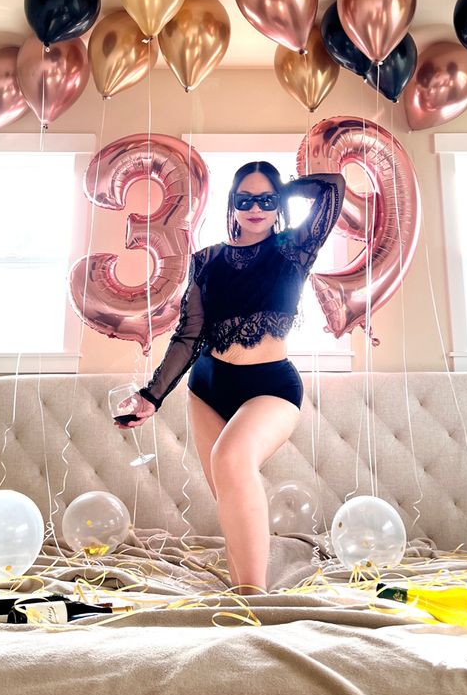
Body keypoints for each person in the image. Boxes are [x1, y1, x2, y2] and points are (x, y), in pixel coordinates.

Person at [114, 161, 346, 595]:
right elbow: (189, 334)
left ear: (277, 202)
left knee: (231, 460)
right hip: (208, 388)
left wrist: (285, 187)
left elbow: (333, 188)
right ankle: (244, 595)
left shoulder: (294, 248)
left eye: (266, 199)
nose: (255, 208)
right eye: (245, 200)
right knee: (229, 495)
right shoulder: (206, 260)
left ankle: (254, 602)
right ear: (232, 205)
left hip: (272, 387)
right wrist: (152, 396)